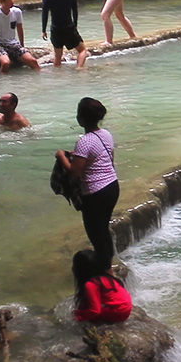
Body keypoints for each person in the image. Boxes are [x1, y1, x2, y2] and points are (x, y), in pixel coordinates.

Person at [56, 97, 118, 270]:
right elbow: (107, 159)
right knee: (103, 229)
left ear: (80, 118)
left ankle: (107, 272)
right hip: (112, 186)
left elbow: (74, 173)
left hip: (95, 193)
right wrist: (77, 155)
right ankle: (109, 265)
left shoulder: (84, 141)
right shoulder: (106, 134)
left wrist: (61, 156)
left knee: (96, 234)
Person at [41, 0, 89, 69]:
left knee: (57, 56)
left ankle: (58, 76)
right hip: (68, 26)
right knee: (82, 50)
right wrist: (75, 24)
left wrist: (43, 30)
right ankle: (79, 68)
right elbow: (74, 10)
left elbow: (44, 14)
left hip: (56, 28)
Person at [71, 249, 131, 324]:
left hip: (119, 312)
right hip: (127, 307)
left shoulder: (91, 284)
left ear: (81, 270)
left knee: (85, 310)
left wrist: (78, 315)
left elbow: (95, 311)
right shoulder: (106, 277)